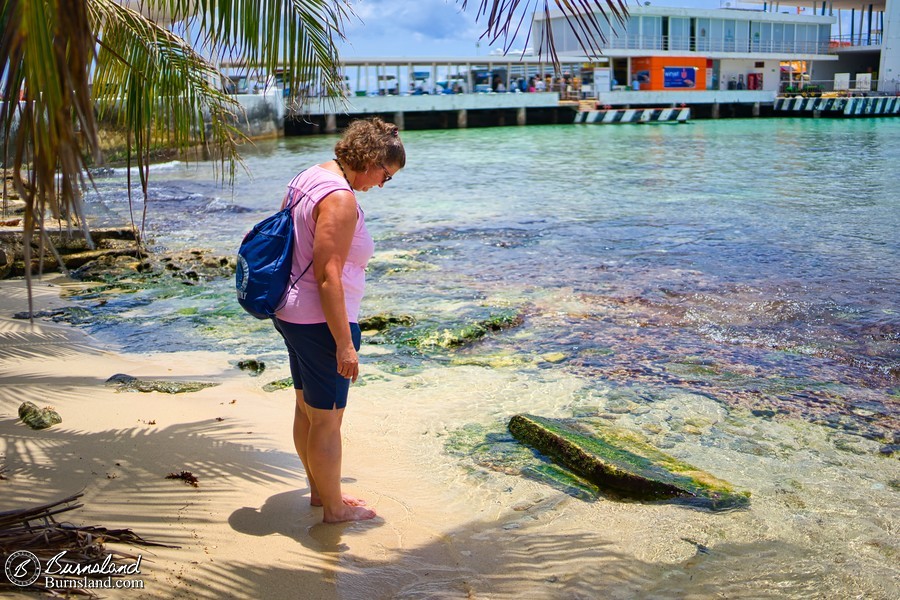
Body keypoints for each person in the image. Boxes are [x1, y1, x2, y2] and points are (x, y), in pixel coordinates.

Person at [273, 117, 406, 523]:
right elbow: (328, 276)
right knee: (328, 421)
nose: (383, 185)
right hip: (321, 322)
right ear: (369, 160)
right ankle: (334, 510)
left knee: (307, 411)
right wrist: (345, 343)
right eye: (386, 174)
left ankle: (320, 493)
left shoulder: (308, 177)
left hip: (292, 312)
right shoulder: (341, 199)